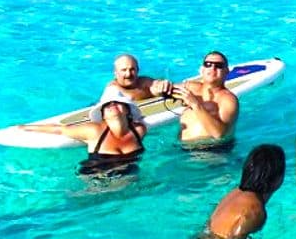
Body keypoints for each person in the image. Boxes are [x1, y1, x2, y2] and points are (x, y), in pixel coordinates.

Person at [17, 99, 148, 174]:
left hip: (130, 177)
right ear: (103, 116)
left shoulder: (138, 130)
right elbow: (61, 130)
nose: (112, 105)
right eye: (107, 105)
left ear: (127, 110)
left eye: (117, 103)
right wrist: (27, 127)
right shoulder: (94, 130)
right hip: (97, 180)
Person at [176, 51, 239, 148]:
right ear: (201, 70)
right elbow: (160, 90)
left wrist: (195, 105)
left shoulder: (228, 99)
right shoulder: (190, 87)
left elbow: (219, 134)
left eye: (219, 65)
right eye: (208, 64)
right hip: (181, 150)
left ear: (226, 71)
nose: (213, 68)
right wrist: (159, 88)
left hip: (213, 153)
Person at [99, 53, 175, 104]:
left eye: (132, 69)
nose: (128, 74)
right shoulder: (112, 90)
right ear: (115, 73)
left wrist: (162, 86)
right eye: (124, 70)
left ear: (137, 70)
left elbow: (156, 85)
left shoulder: (144, 81)